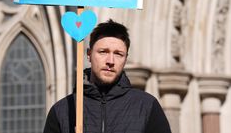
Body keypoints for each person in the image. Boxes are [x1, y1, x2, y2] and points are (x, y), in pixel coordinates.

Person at [43, 19, 171, 133]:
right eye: (103, 52)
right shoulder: (63, 110)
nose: (110, 60)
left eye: (118, 54)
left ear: (125, 59)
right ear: (89, 54)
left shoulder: (147, 106)